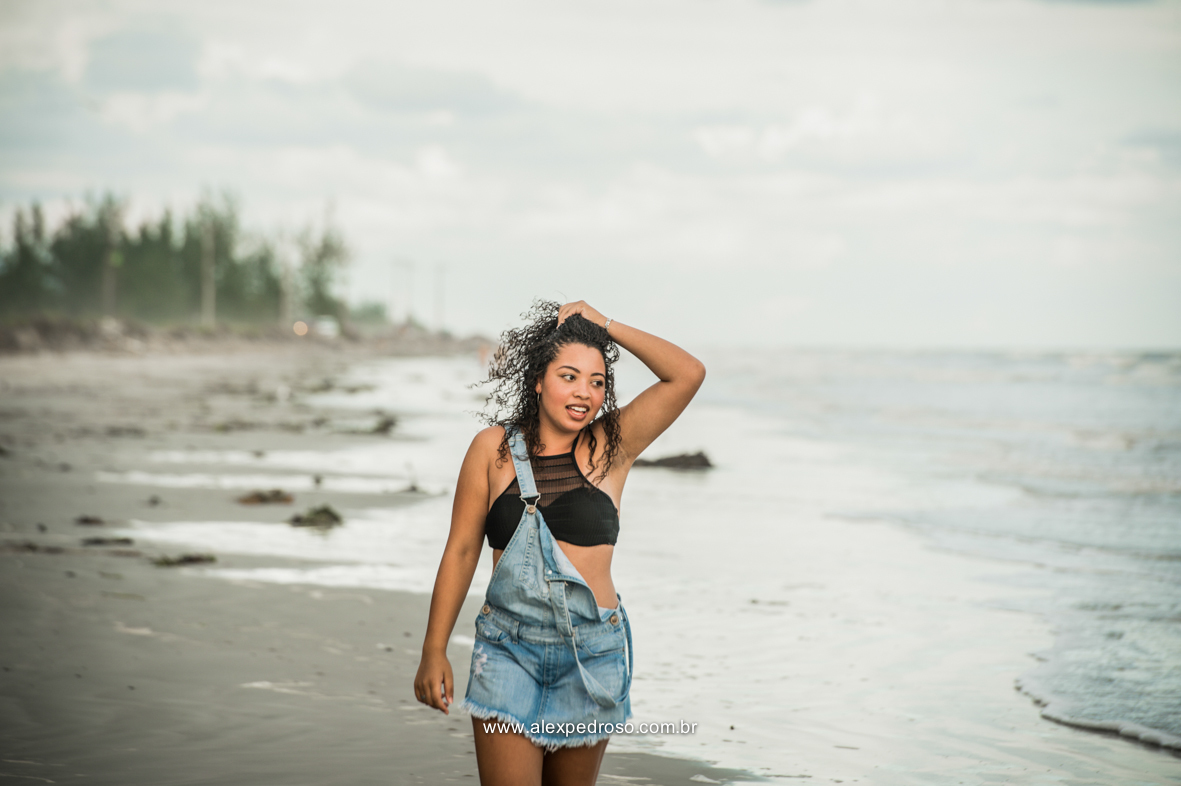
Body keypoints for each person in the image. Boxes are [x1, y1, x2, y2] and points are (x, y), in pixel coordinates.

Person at [414, 300, 705, 786]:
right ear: (538, 381)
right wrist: (434, 648)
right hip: (507, 651)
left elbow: (687, 374)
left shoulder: (612, 446)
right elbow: (462, 551)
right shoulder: (493, 450)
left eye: (597, 382)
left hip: (591, 657)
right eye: (569, 376)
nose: (584, 392)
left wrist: (605, 325)